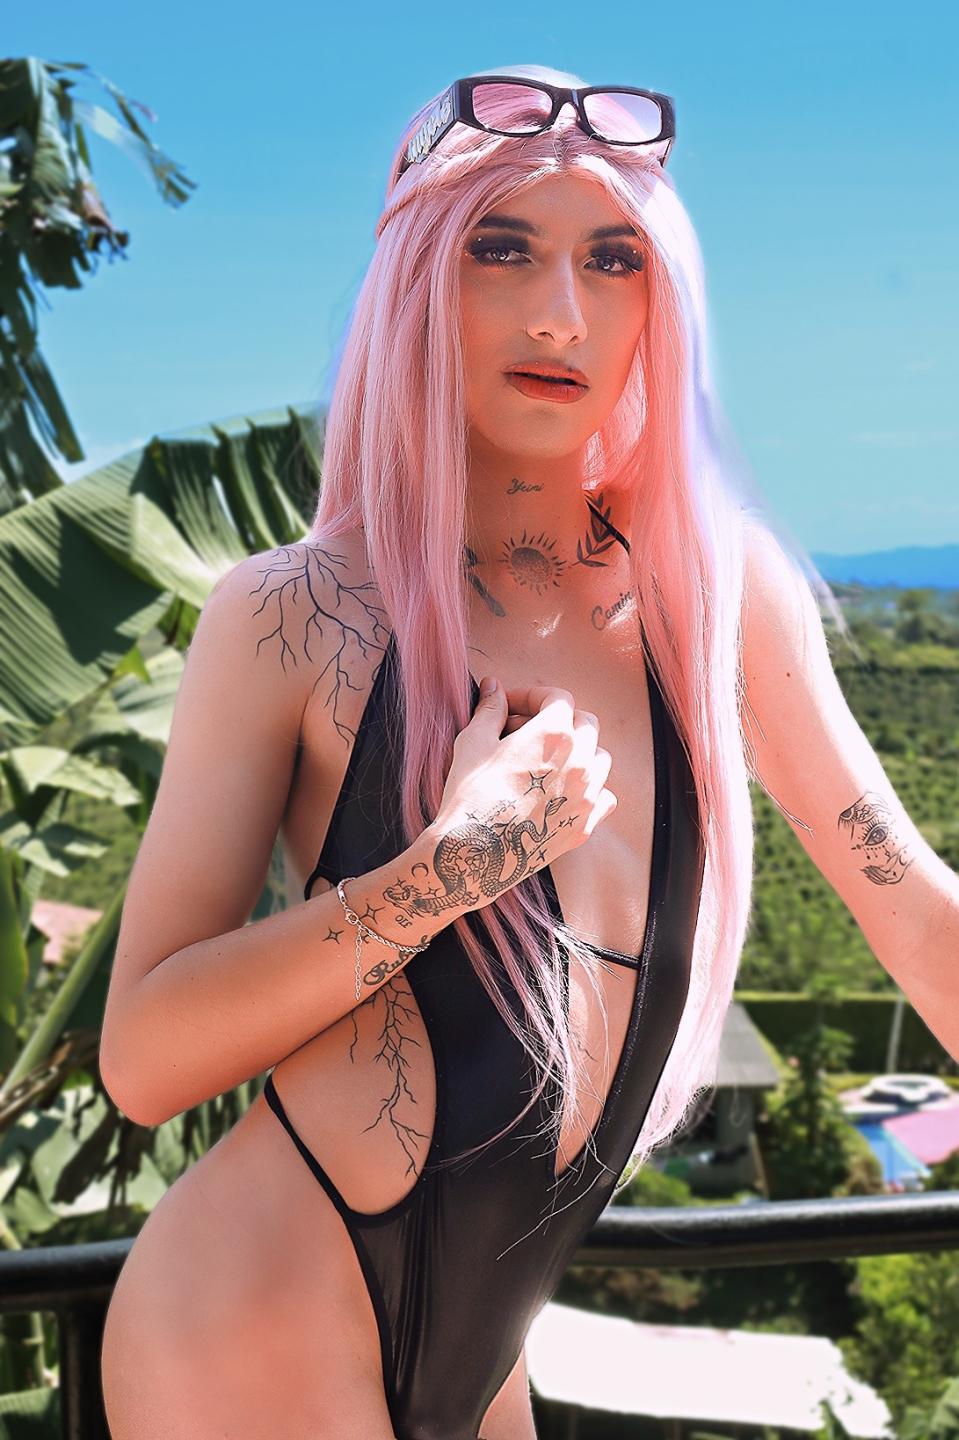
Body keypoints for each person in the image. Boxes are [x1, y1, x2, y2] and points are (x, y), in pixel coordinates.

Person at [99, 62, 953, 1440]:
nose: (562, 311)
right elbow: (142, 1060)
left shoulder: (718, 598)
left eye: (613, 259)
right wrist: (447, 871)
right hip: (253, 1313)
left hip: (488, 1354)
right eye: (501, 249)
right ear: (419, 283)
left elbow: (911, 912)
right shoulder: (293, 614)